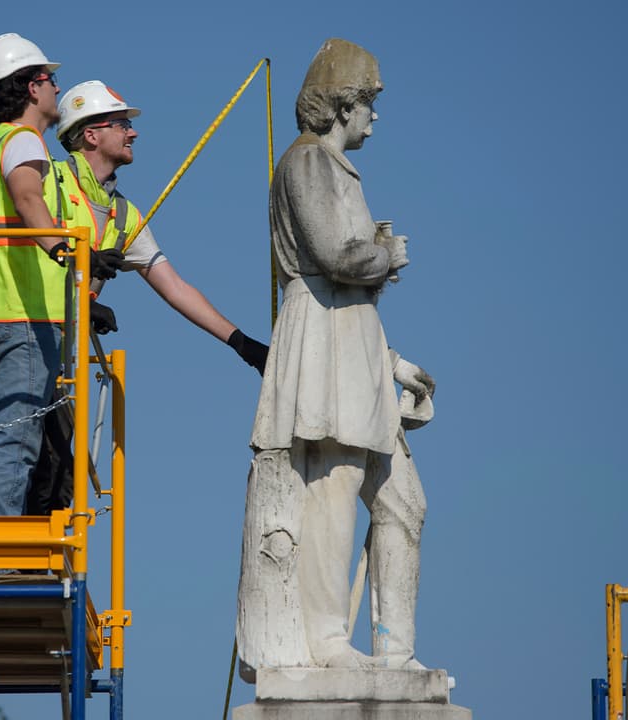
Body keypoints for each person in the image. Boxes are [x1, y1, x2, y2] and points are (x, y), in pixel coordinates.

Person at [235, 38, 437, 680]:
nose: (374, 118)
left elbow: (349, 295)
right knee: (334, 486)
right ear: (343, 103)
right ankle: (325, 638)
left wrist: (391, 362)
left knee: (403, 500)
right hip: (321, 336)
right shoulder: (307, 163)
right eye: (369, 104)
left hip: (350, 341)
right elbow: (336, 258)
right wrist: (388, 253)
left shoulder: (330, 167)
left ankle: (395, 651)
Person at [0, 34, 123, 517]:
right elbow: (28, 195)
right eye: (49, 79)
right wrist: (72, 255)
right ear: (32, 88)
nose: (56, 87)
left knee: (15, 443)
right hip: (20, 319)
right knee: (14, 447)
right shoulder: (22, 142)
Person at [47, 80, 269, 369]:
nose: (133, 132)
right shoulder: (49, 182)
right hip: (24, 332)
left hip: (59, 356)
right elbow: (28, 255)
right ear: (91, 135)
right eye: (122, 124)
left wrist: (243, 345)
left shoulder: (123, 215)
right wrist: (83, 302)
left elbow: (175, 288)